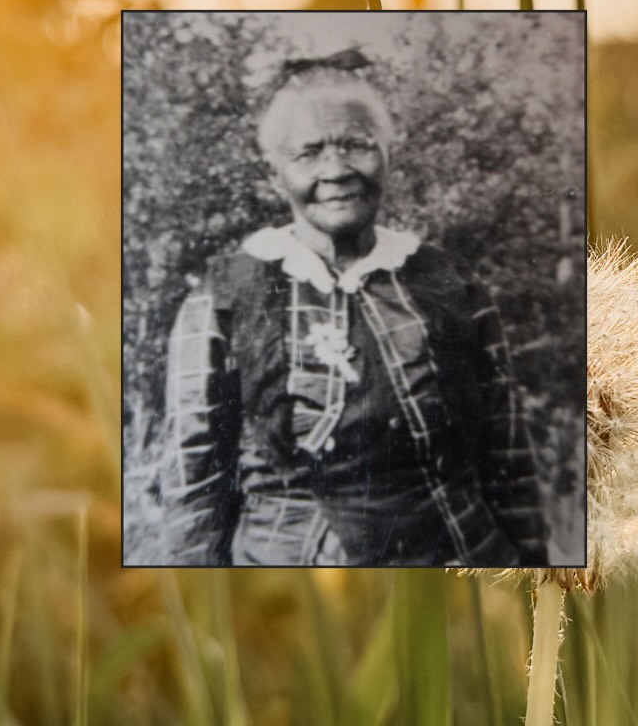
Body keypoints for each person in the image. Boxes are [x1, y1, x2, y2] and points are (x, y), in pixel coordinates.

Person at [160, 50, 548, 567]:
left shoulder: (450, 282)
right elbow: (193, 483)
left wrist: (536, 579)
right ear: (275, 174)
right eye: (309, 153)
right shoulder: (223, 297)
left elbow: (508, 458)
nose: (336, 170)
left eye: (357, 145)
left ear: (389, 154)